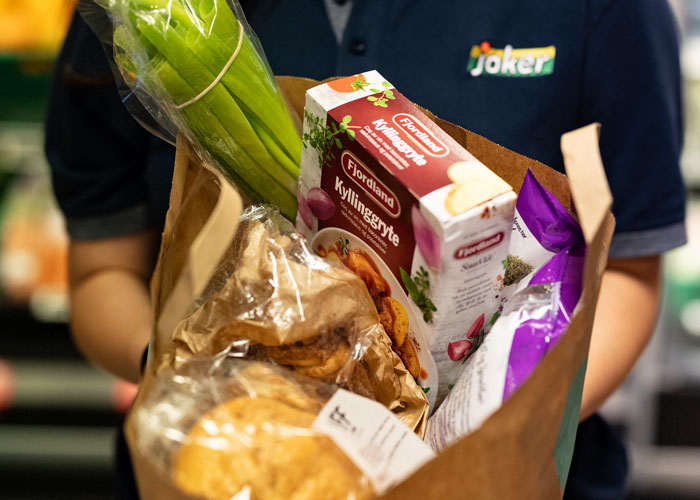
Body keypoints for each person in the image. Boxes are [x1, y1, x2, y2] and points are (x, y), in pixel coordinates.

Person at [45, 1, 687, 499]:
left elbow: (628, 275)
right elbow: (104, 272)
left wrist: (483, 442)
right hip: (223, 464)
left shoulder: (601, 13)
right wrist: (202, 386)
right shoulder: (154, 16)